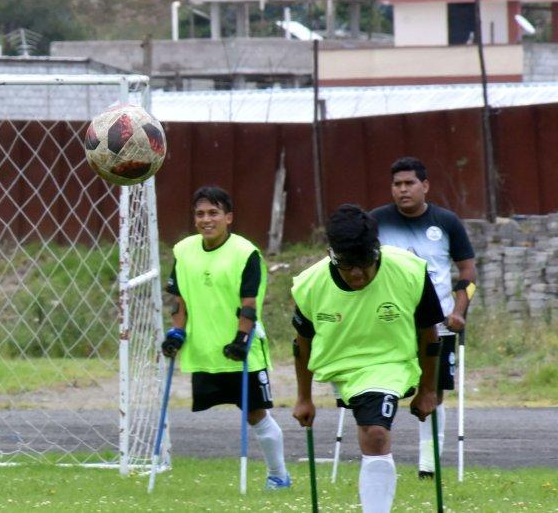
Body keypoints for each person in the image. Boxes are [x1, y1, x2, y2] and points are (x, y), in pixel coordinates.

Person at [290, 204, 444, 513]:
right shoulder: (310, 284)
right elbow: (302, 343)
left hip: (392, 363)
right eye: (348, 265)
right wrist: (304, 398)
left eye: (364, 263)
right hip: (339, 367)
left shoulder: (410, 271)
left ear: (376, 251)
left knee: (375, 433)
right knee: (369, 433)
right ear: (332, 255)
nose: (357, 274)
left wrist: (428, 389)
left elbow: (430, 336)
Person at [161, 186, 291, 490]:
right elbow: (178, 299)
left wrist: (241, 338)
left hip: (242, 350)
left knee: (256, 415)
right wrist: (177, 331)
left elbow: (249, 303)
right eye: (200, 214)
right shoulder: (184, 250)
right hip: (205, 352)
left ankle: (279, 475)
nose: (206, 220)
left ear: (228, 217)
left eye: (213, 213)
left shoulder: (246, 253)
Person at [370, 156, 476, 479]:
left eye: (409, 183)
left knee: (433, 392)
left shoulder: (446, 222)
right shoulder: (376, 221)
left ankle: (428, 467)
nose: (402, 190)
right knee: (381, 387)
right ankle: (378, 459)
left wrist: (459, 311)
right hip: (389, 322)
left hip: (437, 324)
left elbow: (468, 272)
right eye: (397, 184)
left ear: (425, 186)